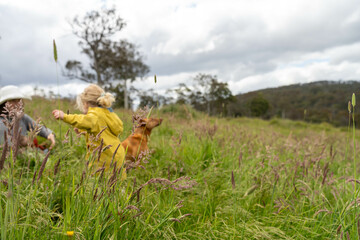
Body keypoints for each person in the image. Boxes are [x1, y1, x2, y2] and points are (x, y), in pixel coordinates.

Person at [52, 84, 126, 178]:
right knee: (117, 187)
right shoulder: (107, 113)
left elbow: (85, 120)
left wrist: (64, 116)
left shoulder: (95, 114)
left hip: (104, 159)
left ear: (86, 103)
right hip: (117, 155)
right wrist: (83, 130)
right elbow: (100, 128)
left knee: (99, 186)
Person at [0, 85, 56, 149]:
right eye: (13, 100)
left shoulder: (23, 118)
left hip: (26, 155)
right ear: (4, 103)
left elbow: (38, 128)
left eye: (19, 100)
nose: (17, 103)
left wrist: (49, 134)